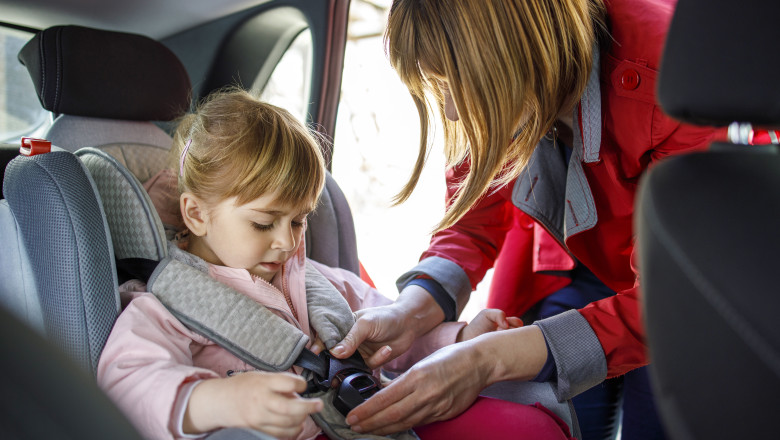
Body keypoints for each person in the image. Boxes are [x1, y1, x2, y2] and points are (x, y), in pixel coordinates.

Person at [329, 0, 723, 438]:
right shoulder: (505, 74)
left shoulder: (679, 74)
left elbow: (676, 298)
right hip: (576, 263)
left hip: (686, 293)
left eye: (458, 84)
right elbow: (473, 211)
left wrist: (486, 359)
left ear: (519, 50)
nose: (453, 111)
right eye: (439, 86)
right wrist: (412, 310)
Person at [96, 89, 575, 440]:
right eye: (264, 224)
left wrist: (460, 339)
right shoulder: (167, 305)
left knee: (530, 428)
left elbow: (389, 336)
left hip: (369, 418)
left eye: (299, 221)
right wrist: (217, 402)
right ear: (197, 214)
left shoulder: (317, 282)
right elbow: (127, 382)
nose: (287, 242)